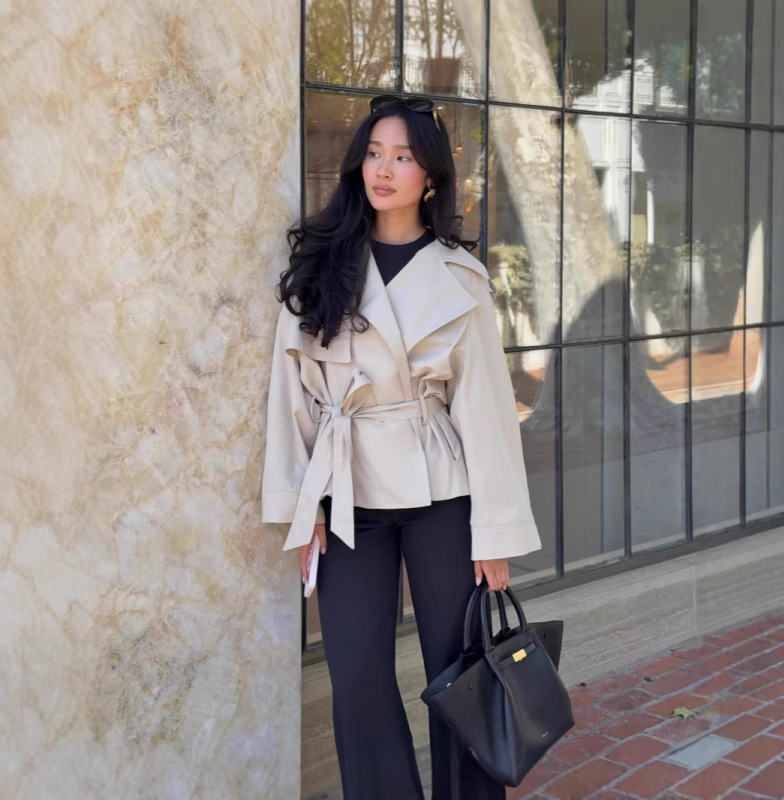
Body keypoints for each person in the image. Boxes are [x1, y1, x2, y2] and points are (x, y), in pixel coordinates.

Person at [262, 94, 541, 800]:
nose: (383, 169)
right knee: (356, 674)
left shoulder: (459, 276)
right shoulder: (321, 263)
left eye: (403, 157)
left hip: (440, 490)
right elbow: (290, 394)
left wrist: (495, 532)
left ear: (431, 176)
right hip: (345, 487)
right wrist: (303, 507)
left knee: (461, 668)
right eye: (374, 154)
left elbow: (486, 412)